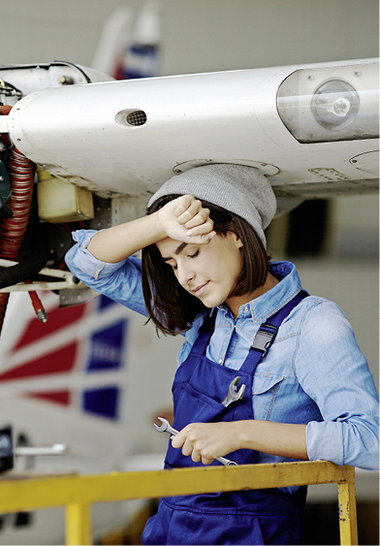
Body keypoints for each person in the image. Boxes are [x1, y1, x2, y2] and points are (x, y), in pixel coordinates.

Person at [64, 164, 379, 545]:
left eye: (193, 252)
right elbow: (86, 263)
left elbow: (370, 440)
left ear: (236, 235)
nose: (185, 277)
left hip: (251, 534)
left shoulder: (313, 325)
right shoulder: (201, 318)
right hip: (171, 528)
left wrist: (243, 433)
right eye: (172, 263)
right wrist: (160, 222)